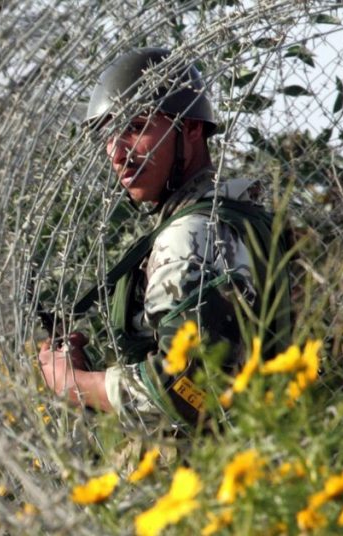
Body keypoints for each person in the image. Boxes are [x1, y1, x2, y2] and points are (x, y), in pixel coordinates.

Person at [38, 47, 290, 430]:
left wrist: (72, 385)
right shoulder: (237, 214)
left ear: (190, 129)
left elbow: (188, 389)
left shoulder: (191, 235)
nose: (116, 152)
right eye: (108, 134)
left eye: (136, 127)